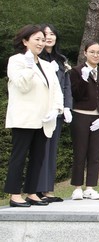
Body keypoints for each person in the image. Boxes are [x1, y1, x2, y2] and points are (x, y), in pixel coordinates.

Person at [4, 25, 63, 207]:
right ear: (25, 41)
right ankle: (15, 195)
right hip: (25, 118)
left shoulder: (46, 64)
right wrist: (29, 67)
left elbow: (56, 90)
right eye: (37, 39)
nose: (41, 43)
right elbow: (22, 86)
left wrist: (56, 109)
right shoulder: (16, 60)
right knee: (19, 156)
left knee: (38, 157)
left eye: (42, 40)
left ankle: (32, 192)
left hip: (43, 119)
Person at [69, 41, 99, 201]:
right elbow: (75, 94)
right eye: (92, 52)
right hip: (81, 115)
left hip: (98, 117)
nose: (96, 55)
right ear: (85, 53)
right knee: (80, 152)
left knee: (95, 153)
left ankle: (90, 187)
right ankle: (77, 187)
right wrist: (83, 79)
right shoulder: (76, 71)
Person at [36, 24, 73, 203]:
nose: (49, 37)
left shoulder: (61, 59)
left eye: (52, 34)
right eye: (45, 34)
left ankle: (47, 189)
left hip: (57, 111)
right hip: (41, 110)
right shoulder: (35, 57)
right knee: (40, 150)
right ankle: (36, 189)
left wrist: (67, 107)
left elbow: (66, 85)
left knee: (52, 151)